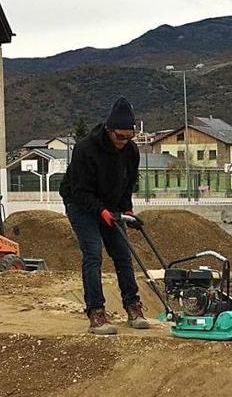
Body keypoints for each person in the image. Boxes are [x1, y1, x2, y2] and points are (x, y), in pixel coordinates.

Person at [59, 96, 149, 335]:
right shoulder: (86, 149)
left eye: (129, 138)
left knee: (122, 254)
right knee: (93, 254)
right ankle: (96, 312)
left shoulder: (131, 152)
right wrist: (101, 212)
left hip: (110, 205)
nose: (124, 142)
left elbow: (127, 184)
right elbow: (79, 191)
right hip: (81, 204)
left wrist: (126, 209)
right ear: (109, 130)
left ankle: (133, 306)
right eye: (120, 137)